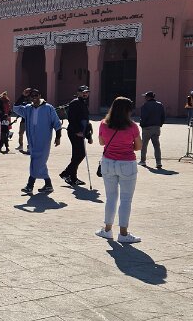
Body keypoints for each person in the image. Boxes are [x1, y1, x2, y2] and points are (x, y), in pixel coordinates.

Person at [96, 96, 142, 243]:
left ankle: (107, 230)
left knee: (110, 197)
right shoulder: (132, 126)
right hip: (127, 163)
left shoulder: (104, 124)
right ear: (128, 111)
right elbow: (138, 146)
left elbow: (101, 142)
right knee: (126, 199)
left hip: (108, 162)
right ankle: (123, 234)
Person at [13, 88, 62, 195]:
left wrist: (58, 137)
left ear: (40, 95)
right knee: (38, 161)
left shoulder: (48, 108)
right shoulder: (28, 108)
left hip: (44, 139)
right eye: (32, 96)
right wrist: (22, 96)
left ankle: (30, 185)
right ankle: (48, 185)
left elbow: (57, 123)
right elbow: (16, 108)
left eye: (36, 95)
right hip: (32, 140)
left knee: (37, 161)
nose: (34, 97)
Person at [59, 85, 92, 186]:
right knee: (81, 154)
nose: (85, 94)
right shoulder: (75, 102)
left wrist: (88, 135)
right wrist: (77, 131)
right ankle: (66, 173)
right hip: (74, 132)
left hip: (81, 132)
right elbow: (71, 118)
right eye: (83, 92)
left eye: (87, 92)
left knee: (76, 155)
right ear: (78, 93)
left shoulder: (83, 102)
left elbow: (86, 120)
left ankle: (73, 178)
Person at [139, 90, 166, 169]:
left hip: (147, 127)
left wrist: (142, 125)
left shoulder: (145, 105)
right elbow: (163, 116)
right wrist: (160, 124)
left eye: (145, 97)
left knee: (144, 145)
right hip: (156, 127)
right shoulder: (160, 105)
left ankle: (143, 161)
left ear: (148, 97)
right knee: (156, 145)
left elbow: (143, 117)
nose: (144, 98)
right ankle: (158, 162)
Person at [14, 87, 32, 151]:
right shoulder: (23, 100)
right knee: (20, 133)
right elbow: (17, 107)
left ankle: (30, 147)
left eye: (29, 92)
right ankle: (21, 145)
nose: (27, 93)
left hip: (31, 122)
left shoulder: (34, 101)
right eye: (27, 91)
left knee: (30, 134)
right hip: (23, 121)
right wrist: (23, 95)